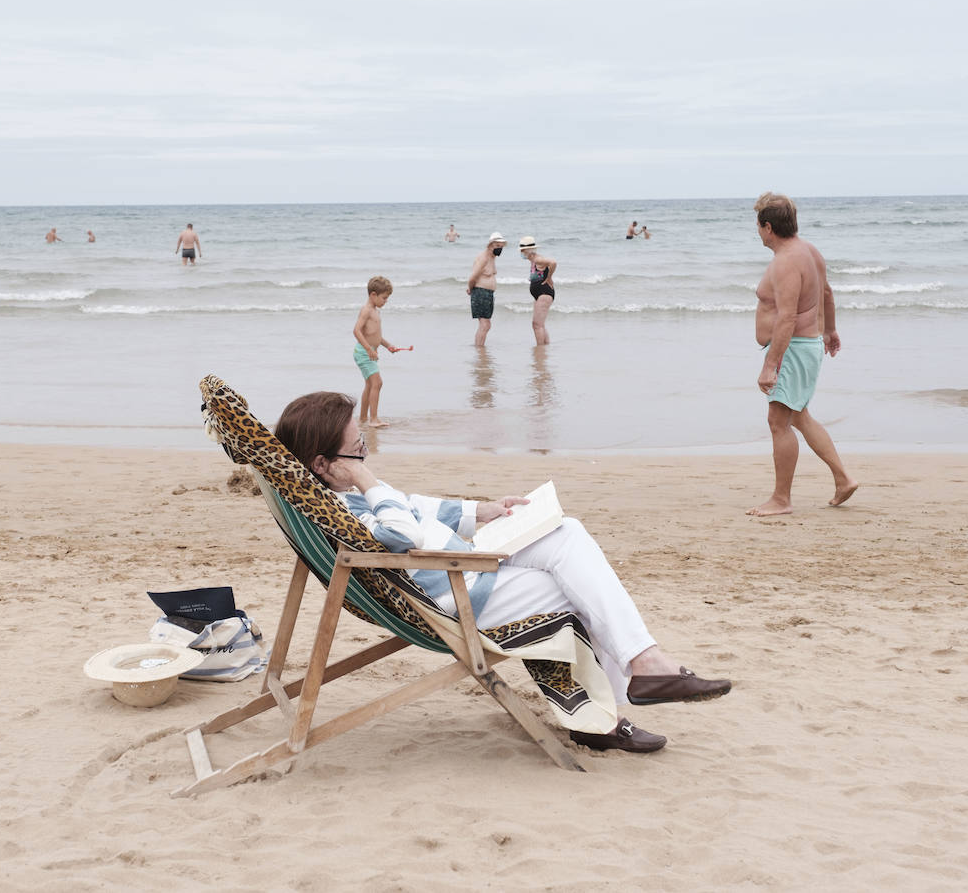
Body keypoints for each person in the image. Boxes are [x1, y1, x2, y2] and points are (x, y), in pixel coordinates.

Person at [274, 391, 733, 752]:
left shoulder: (343, 495)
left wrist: (486, 511)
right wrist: (365, 478)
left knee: (567, 536)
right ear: (323, 464)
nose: (366, 456)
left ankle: (637, 675)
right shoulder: (348, 505)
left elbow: (414, 508)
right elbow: (402, 534)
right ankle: (614, 706)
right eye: (359, 450)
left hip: (461, 569)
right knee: (577, 584)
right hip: (456, 595)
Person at [749, 192, 858, 516]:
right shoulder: (809, 251)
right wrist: (830, 330)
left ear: (768, 227)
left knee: (778, 421)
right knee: (800, 416)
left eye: (758, 225)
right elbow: (825, 291)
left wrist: (771, 365)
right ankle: (843, 478)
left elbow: (787, 316)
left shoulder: (785, 262)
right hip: (805, 345)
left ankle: (781, 499)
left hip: (793, 349)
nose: (757, 232)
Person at [352, 276, 412, 428]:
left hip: (369, 351)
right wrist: (368, 349)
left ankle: (363, 418)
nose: (386, 301)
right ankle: (373, 419)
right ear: (373, 295)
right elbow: (356, 331)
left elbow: (375, 335)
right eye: (384, 298)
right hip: (364, 352)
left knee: (370, 384)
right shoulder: (366, 311)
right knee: (377, 383)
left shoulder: (375, 311)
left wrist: (388, 346)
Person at [467, 233, 505, 347]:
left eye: (501, 246)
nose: (500, 248)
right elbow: (473, 277)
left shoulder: (492, 257)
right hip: (480, 292)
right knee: (485, 324)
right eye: (498, 245)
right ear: (490, 245)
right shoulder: (484, 258)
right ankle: (479, 349)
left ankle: (480, 348)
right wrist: (470, 288)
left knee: (486, 324)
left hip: (488, 293)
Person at [519, 236, 557, 346]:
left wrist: (549, 277)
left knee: (537, 324)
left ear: (527, 251)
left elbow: (553, 262)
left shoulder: (537, 259)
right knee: (540, 324)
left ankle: (540, 350)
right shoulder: (533, 260)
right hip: (540, 294)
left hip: (544, 293)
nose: (521, 253)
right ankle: (544, 347)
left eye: (522, 250)